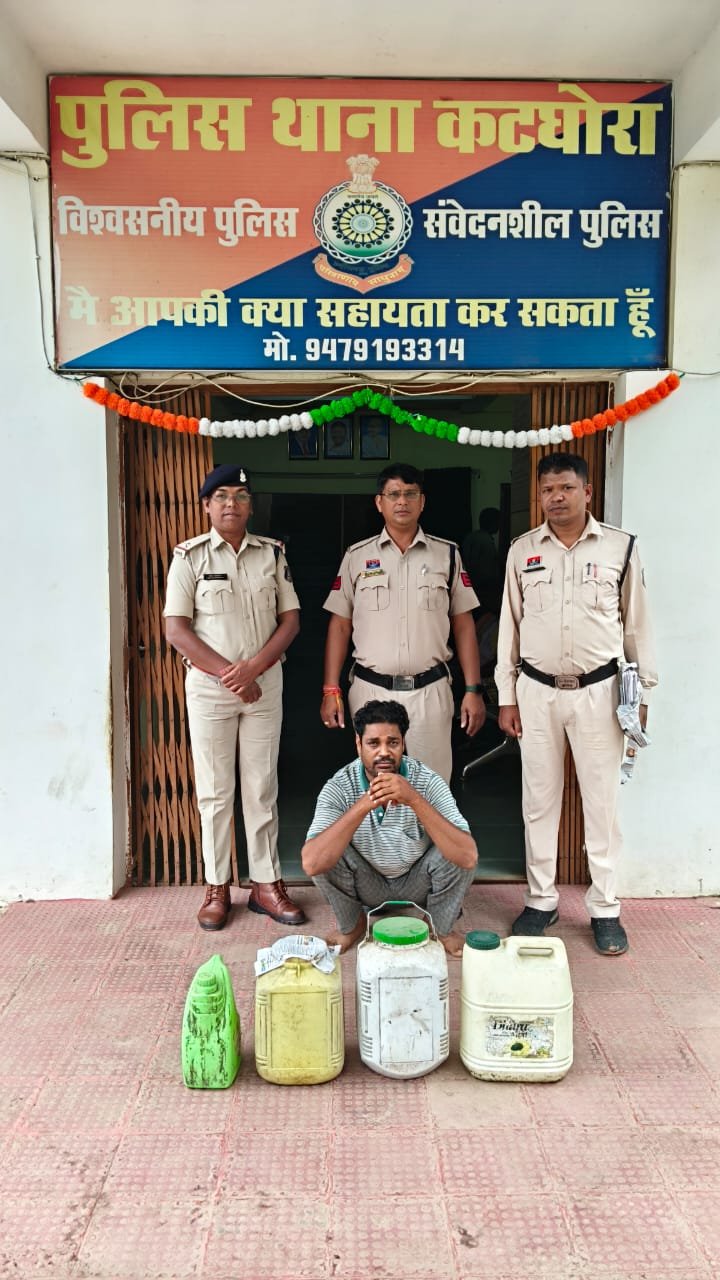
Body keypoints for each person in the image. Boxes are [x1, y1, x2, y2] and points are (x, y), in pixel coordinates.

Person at [495, 452, 657, 955]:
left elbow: (636, 626)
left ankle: (605, 907)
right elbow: (509, 628)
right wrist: (506, 696)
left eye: (566, 488)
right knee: (538, 801)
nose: (556, 498)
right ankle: (540, 901)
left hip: (600, 693)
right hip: (536, 691)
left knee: (602, 804)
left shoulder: (620, 547)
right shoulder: (523, 550)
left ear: (587, 492)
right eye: (547, 490)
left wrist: (643, 693)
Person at [163, 463, 306, 931]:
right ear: (207, 505)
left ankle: (266, 884)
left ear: (251, 506)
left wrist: (253, 669)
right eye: (222, 496)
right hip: (211, 690)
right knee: (215, 792)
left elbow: (290, 621)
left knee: (262, 787)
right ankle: (217, 886)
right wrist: (232, 675)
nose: (231, 504)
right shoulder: (189, 558)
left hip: (263, 686)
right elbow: (176, 630)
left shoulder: (272, 555)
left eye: (241, 496)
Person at [320, 463, 486, 783]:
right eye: (393, 494)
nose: (402, 502)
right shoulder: (356, 556)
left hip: (430, 692)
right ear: (379, 502)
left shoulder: (447, 555)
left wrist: (473, 689)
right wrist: (331, 689)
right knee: (375, 786)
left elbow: (464, 625)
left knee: (431, 787)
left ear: (422, 502)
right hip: (371, 690)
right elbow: (340, 625)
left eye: (410, 494)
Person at [302, 700, 478, 957]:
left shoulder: (427, 780)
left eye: (392, 742)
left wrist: (414, 799)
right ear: (358, 744)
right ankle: (352, 925)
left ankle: (440, 928)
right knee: (324, 850)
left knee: (457, 847)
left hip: (418, 880)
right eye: (373, 743)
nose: (384, 752)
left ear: (403, 744)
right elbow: (311, 863)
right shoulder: (339, 786)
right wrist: (365, 803)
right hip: (366, 881)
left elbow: (468, 856)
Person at [461, 507, 502, 617]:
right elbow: (489, 569)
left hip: (470, 589)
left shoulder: (470, 537)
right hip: (484, 590)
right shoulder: (486, 541)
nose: (499, 525)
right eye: (498, 521)